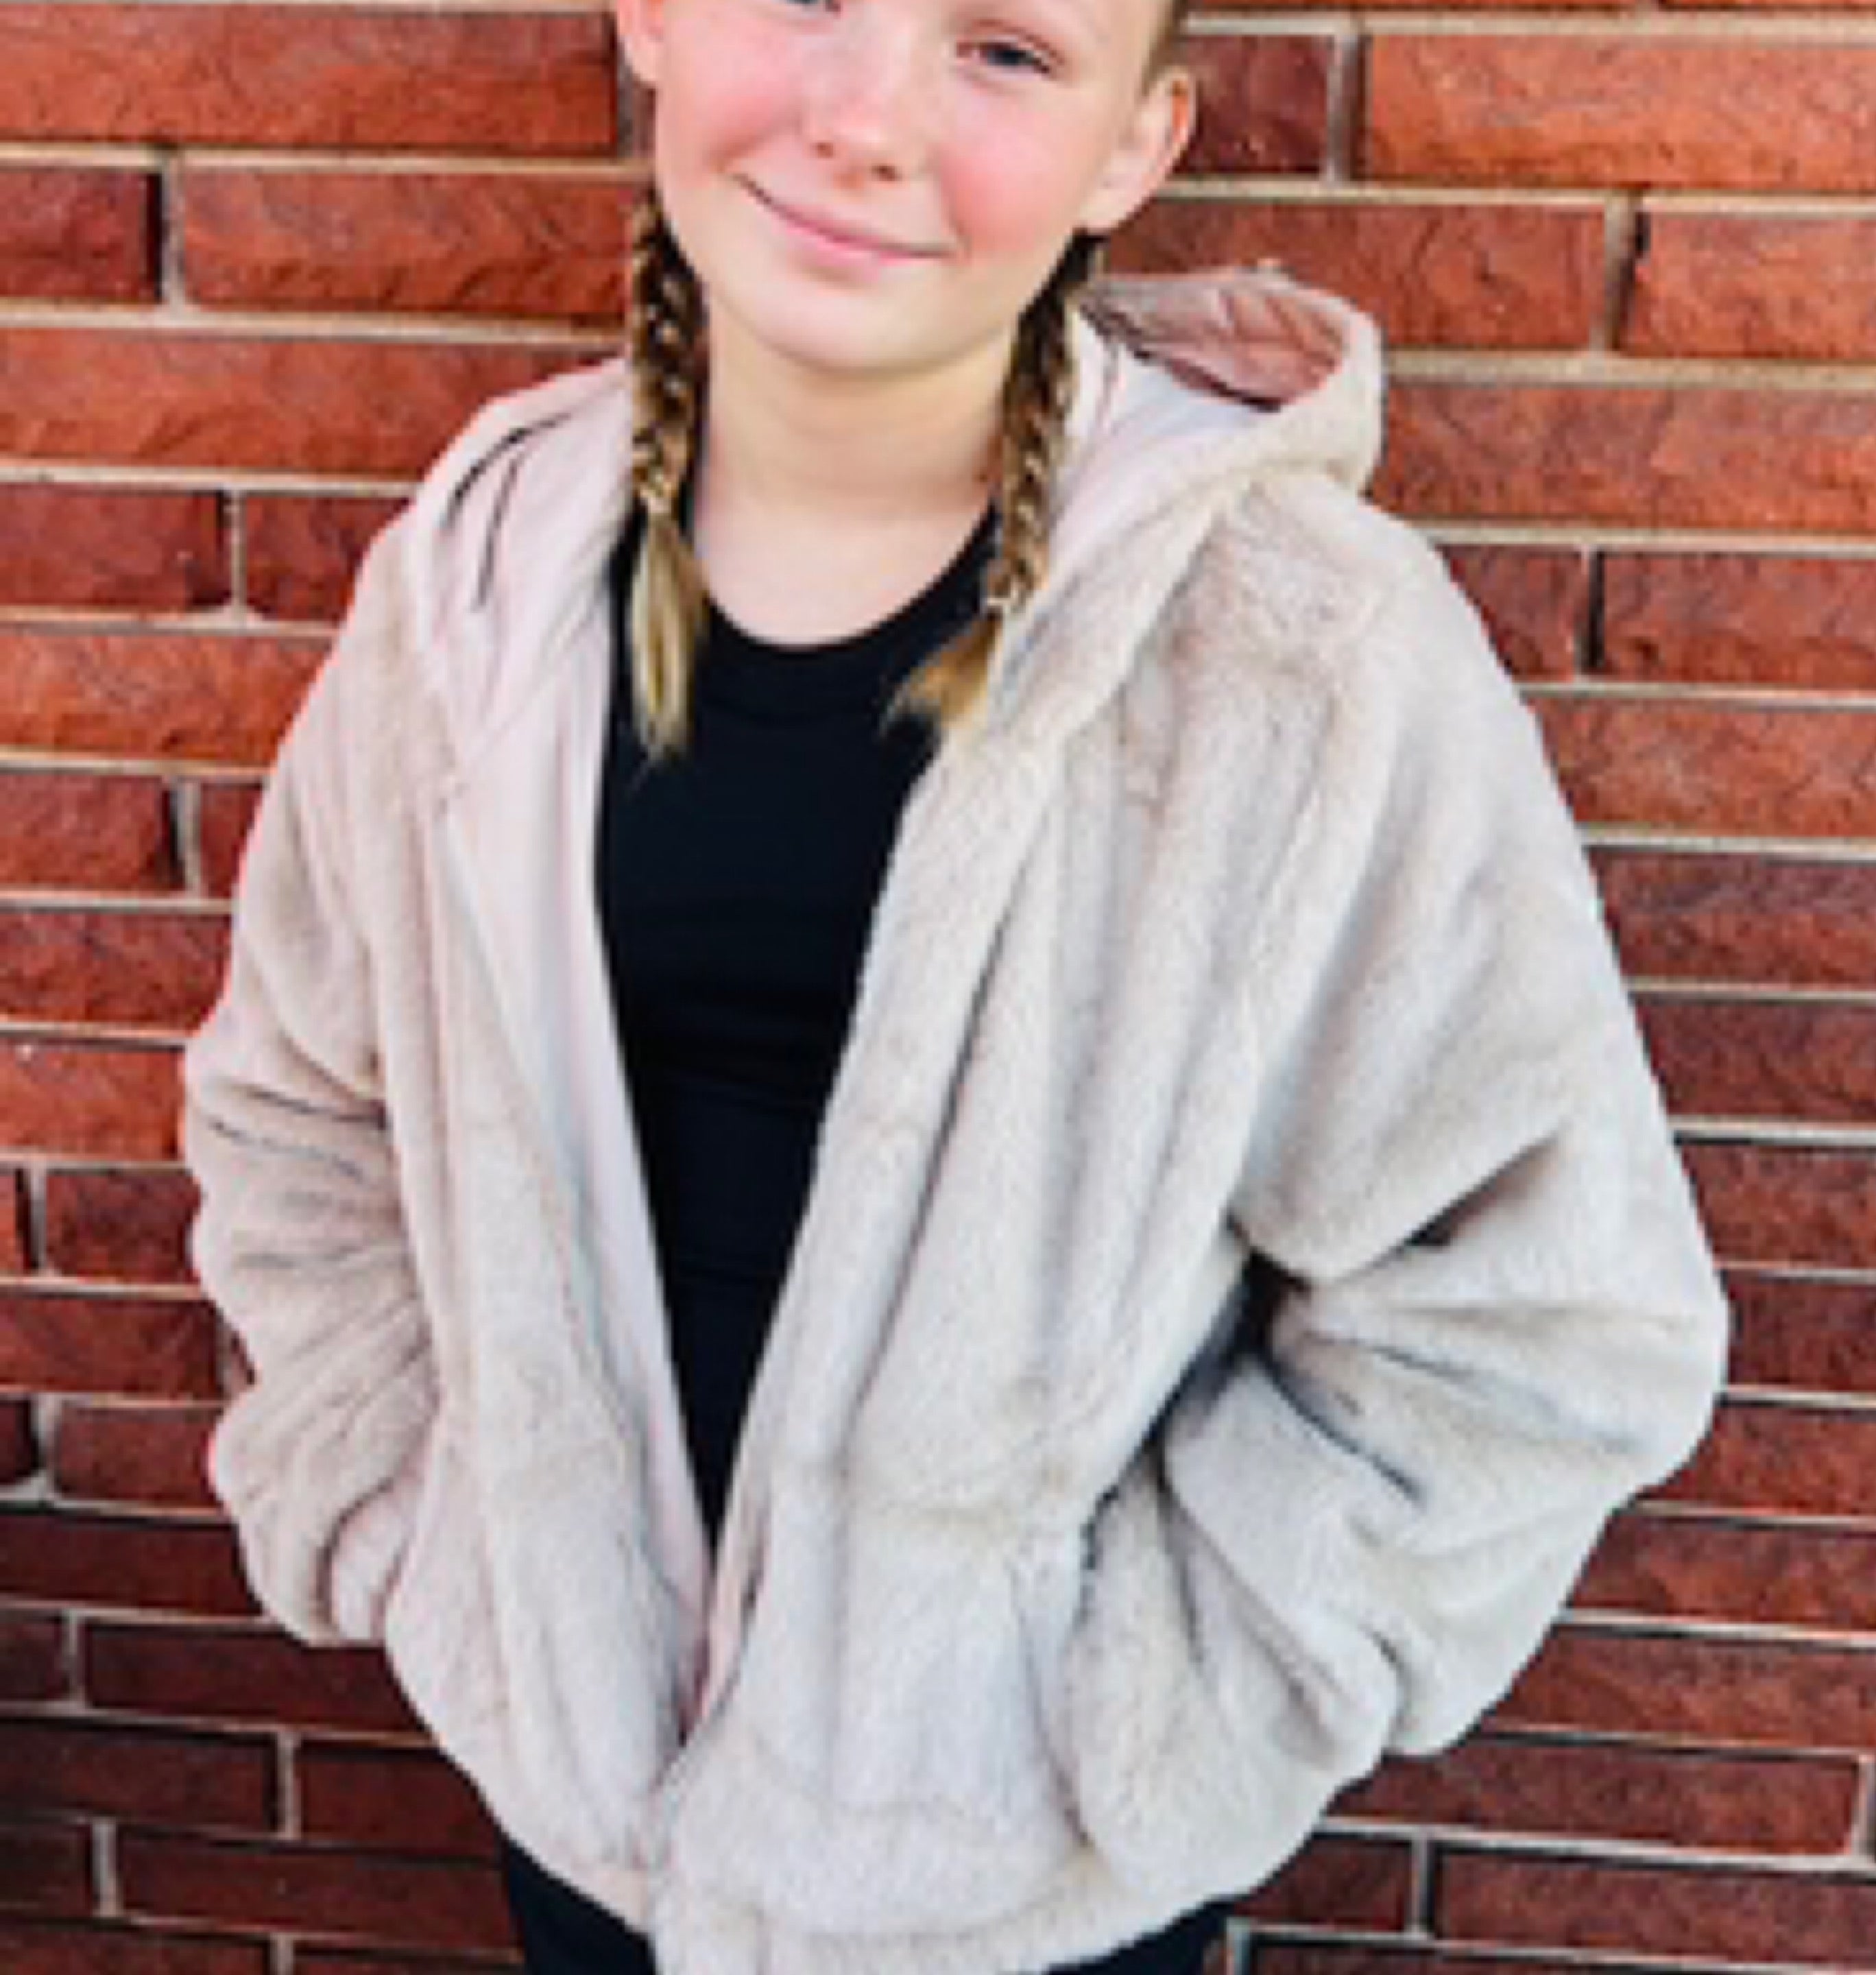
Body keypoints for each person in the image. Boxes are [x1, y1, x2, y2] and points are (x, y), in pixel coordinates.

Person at [180, 0, 1729, 1966]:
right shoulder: (478, 585)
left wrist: (1143, 1727)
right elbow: (299, 1109)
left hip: (1026, 1901)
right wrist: (426, 1539)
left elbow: (1546, 1309)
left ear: (1134, 146)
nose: (868, 120)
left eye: (1005, 49)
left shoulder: (1302, 657)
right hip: (585, 1833)